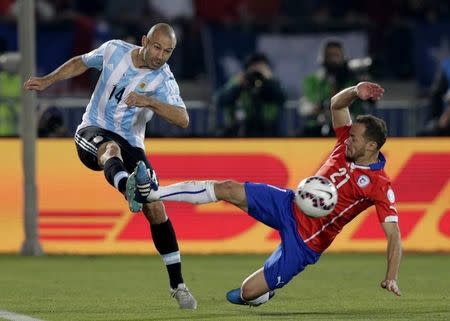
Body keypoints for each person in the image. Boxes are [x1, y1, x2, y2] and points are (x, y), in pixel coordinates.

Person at [130, 81, 402, 306]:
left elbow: (394, 237)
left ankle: (264, 293)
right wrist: (356, 91)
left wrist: (391, 276)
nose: (347, 138)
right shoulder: (345, 143)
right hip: (288, 203)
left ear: (371, 146)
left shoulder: (380, 185)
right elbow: (337, 104)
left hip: (306, 243)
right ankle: (153, 193)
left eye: (354, 138)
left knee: (248, 293)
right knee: (227, 188)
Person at [24, 23, 197, 309]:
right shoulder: (114, 50)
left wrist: (149, 102)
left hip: (132, 144)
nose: (160, 56)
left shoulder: (164, 80)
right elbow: (80, 62)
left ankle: (178, 285)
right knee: (110, 149)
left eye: (168, 51)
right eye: (157, 47)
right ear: (144, 41)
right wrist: (47, 81)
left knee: (155, 206)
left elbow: (183, 119)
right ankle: (126, 186)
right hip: (93, 130)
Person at [299, 39, 368, 137]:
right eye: (330, 56)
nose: (333, 60)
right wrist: (322, 108)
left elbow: (371, 100)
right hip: (317, 129)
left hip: (350, 131)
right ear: (322, 58)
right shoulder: (313, 80)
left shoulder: (353, 80)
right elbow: (306, 107)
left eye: (337, 56)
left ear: (344, 58)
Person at [215, 52, 286, 137]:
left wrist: (269, 80)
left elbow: (282, 99)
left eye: (260, 68)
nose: (256, 72)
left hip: (268, 131)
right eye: (254, 68)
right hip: (239, 130)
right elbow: (219, 101)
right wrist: (238, 85)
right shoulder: (238, 81)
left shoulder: (272, 83)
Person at [418, 57, 450, 136]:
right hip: (444, 123)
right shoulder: (446, 66)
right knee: (424, 134)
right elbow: (436, 94)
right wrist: (438, 119)